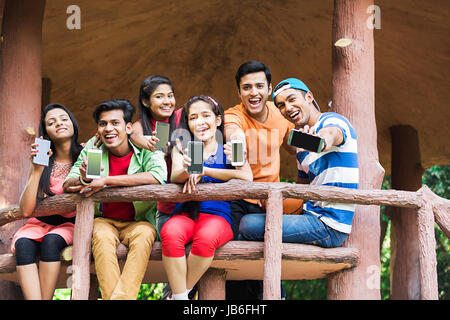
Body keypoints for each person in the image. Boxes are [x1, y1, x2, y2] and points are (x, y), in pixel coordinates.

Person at [63, 99, 167, 300]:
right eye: (103, 124)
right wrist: (84, 178)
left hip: (139, 222)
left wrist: (106, 180)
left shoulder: (146, 147)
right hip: (104, 221)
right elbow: (67, 184)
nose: (108, 128)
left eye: (115, 123)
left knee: (146, 234)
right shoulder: (93, 149)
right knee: (100, 236)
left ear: (128, 127)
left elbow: (158, 176)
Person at [239, 77, 359, 247]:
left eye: (292, 99)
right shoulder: (300, 145)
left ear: (309, 97)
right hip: (309, 215)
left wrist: (319, 141)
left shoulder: (333, 120)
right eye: (281, 105)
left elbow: (329, 136)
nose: (287, 108)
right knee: (250, 218)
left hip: (330, 225)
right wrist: (269, 199)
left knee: (247, 225)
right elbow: (300, 189)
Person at [161, 95, 253, 300]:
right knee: (170, 232)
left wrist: (205, 171)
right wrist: (188, 170)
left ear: (218, 119)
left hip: (219, 215)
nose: (199, 122)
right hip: (187, 212)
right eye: (193, 118)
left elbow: (247, 177)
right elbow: (175, 176)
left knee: (206, 238)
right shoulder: (183, 147)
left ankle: (177, 295)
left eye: (205, 116)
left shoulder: (231, 146)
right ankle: (180, 297)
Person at [224, 60, 296, 299]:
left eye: (259, 86)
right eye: (246, 88)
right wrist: (237, 146)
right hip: (238, 198)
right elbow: (232, 132)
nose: (253, 92)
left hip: (270, 200)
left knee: (269, 257)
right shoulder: (233, 115)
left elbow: (295, 145)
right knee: (231, 258)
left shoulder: (281, 115)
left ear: (269, 88)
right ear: (239, 92)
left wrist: (319, 142)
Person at [11, 103, 83, 300]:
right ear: (46, 132)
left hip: (70, 225)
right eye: (51, 122)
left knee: (52, 242)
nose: (58, 123)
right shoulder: (43, 160)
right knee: (24, 244)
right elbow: (26, 210)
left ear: (73, 124)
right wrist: (36, 169)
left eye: (63, 118)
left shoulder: (86, 153)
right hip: (39, 224)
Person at [131, 75, 183, 234]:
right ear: (146, 102)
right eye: (159, 97)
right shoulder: (140, 126)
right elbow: (134, 135)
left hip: (188, 197)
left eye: (170, 95)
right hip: (159, 203)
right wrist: (148, 144)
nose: (167, 101)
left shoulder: (182, 117)